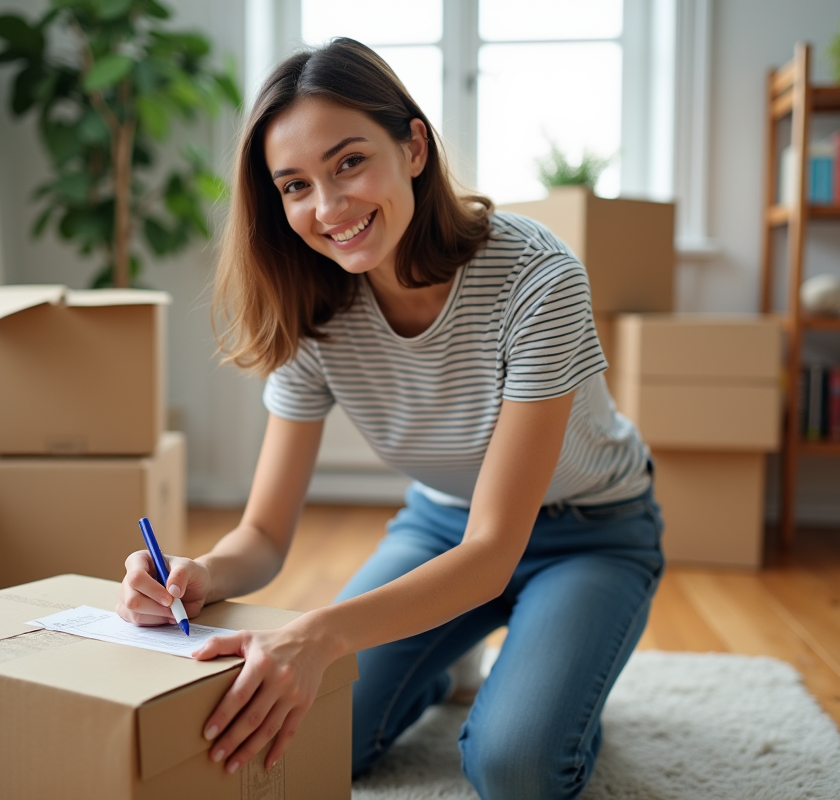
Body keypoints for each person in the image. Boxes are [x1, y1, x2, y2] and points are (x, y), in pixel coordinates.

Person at [118, 37, 663, 800]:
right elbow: (265, 536)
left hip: (591, 535)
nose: (329, 207)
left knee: (517, 765)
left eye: (349, 162)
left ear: (412, 147)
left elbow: (494, 549)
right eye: (295, 185)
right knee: (303, 738)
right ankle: (442, 667)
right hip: (442, 527)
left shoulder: (539, 278)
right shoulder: (310, 310)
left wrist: (319, 632)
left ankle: (551, 687)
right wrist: (199, 574)